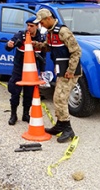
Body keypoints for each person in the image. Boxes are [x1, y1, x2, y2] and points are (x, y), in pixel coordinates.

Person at [32, 9, 81, 143]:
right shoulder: (50, 32)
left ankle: (67, 129)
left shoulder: (63, 32)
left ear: (48, 18)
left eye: (41, 22)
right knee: (57, 98)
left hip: (69, 71)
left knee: (60, 98)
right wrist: (36, 45)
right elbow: (49, 47)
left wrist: (71, 70)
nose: (40, 25)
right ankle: (60, 124)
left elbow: (76, 52)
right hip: (61, 69)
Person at [5, 16, 46, 125]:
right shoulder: (20, 35)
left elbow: (43, 55)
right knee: (15, 92)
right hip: (19, 68)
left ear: (37, 26)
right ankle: (13, 115)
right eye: (27, 25)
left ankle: (26, 114)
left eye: (31, 26)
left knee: (29, 93)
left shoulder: (41, 38)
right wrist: (9, 45)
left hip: (32, 71)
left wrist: (42, 70)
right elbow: (9, 47)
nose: (29, 28)